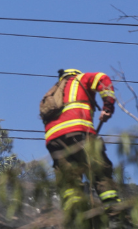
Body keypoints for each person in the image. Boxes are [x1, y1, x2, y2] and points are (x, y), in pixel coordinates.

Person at [44, 68, 118, 210]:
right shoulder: (80, 79)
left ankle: (76, 214)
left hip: (54, 140)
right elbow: (102, 78)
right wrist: (107, 107)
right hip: (79, 132)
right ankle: (114, 211)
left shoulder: (52, 92)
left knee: (69, 178)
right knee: (100, 171)